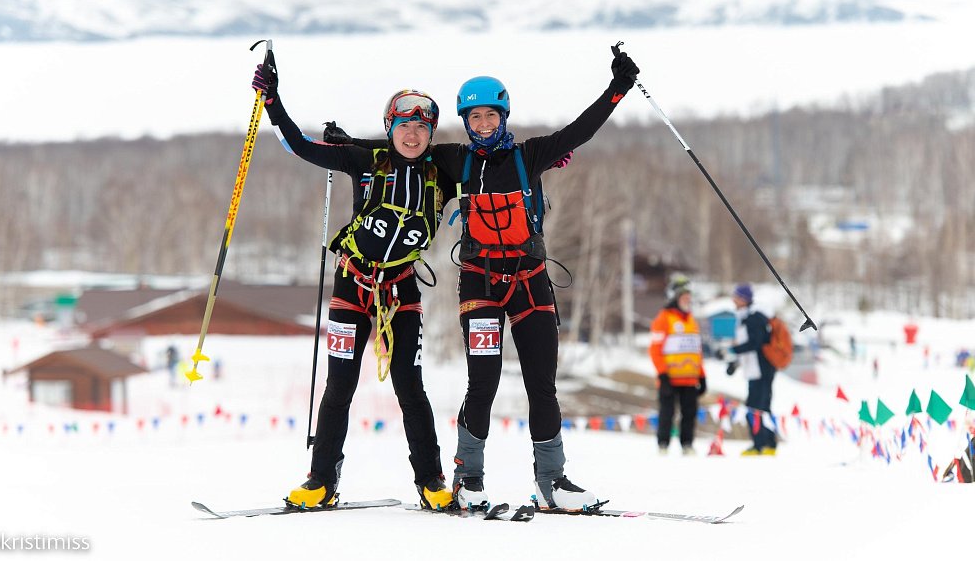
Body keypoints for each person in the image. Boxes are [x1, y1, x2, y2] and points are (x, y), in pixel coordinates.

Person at [431, 50, 640, 511]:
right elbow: (402, 147)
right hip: (480, 286)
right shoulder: (453, 160)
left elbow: (580, 131)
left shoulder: (530, 155)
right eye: (474, 117)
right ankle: (468, 478)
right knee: (482, 382)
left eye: (491, 115)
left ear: (503, 115)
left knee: (542, 383)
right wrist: (347, 143)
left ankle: (552, 482)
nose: (483, 124)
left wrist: (618, 89)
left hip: (530, 282)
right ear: (465, 121)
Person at [251, 55, 454, 510]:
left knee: (409, 386)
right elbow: (299, 145)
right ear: (390, 127)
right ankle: (321, 480)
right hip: (353, 285)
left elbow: (494, 169)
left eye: (422, 127)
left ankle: (431, 481)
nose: (413, 134)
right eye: (404, 125)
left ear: (431, 133)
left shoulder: (444, 169)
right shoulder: (364, 161)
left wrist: (536, 173)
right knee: (339, 386)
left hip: (401, 289)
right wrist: (272, 100)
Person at [649, 273, 706, 456]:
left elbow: (695, 350)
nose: (688, 300)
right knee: (667, 413)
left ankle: (687, 444)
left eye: (689, 296)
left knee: (690, 413)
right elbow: (655, 349)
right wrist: (662, 373)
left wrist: (702, 375)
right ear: (675, 298)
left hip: (690, 378)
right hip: (670, 378)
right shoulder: (664, 318)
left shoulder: (691, 320)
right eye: (684, 296)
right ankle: (663, 444)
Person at [725, 283, 778, 456]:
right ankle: (767, 444)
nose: (734, 300)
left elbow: (755, 343)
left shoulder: (754, 318)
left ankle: (760, 445)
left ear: (744, 299)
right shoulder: (745, 317)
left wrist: (734, 350)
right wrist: (734, 363)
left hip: (761, 370)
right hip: (754, 370)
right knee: (761, 407)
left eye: (736, 297)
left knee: (755, 407)